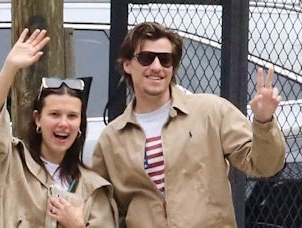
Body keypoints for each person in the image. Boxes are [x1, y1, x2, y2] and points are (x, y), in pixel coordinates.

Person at [91, 22, 286, 227]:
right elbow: (101, 206)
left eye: (165, 60)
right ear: (127, 64)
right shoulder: (112, 138)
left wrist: (264, 122)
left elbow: (266, 165)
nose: (156, 67)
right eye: (146, 58)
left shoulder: (210, 111)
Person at [0, 28, 118, 228]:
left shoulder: (93, 188)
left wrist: (76, 225)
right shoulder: (10, 164)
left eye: (72, 116)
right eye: (54, 114)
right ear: (37, 119)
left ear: (80, 124)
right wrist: (9, 68)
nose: (63, 123)